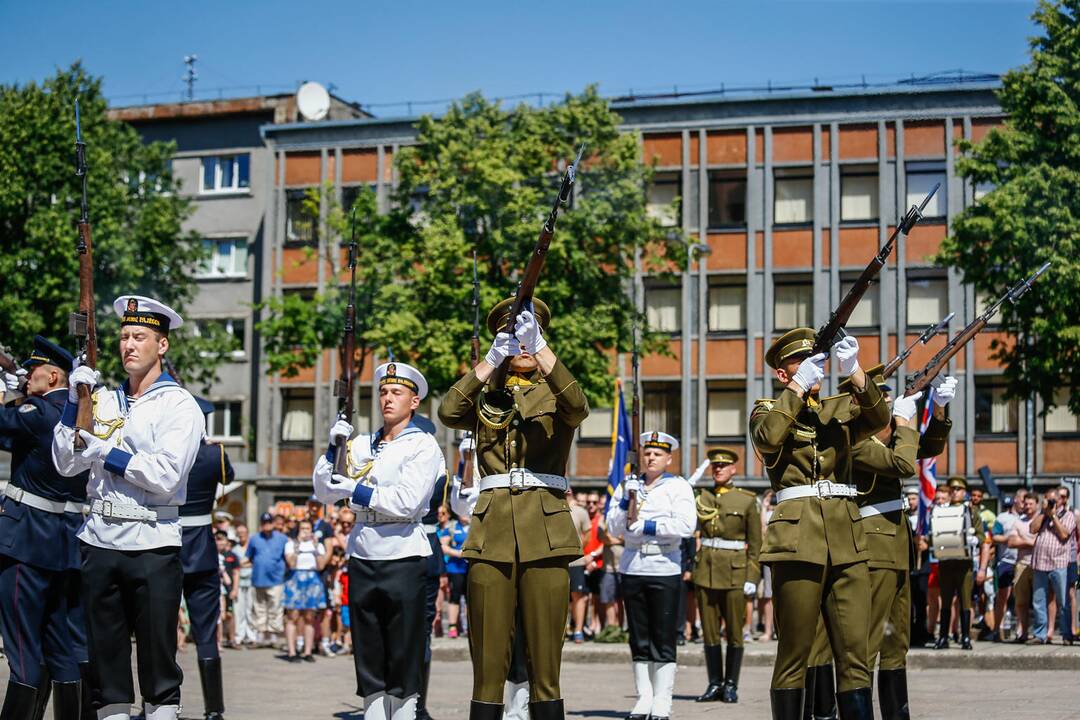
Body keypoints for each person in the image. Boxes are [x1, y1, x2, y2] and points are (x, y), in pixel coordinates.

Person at [52, 295, 204, 720]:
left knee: (158, 665)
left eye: (140, 336)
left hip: (153, 543)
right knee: (107, 666)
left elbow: (165, 475)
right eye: (123, 336)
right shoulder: (101, 401)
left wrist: (106, 453)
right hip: (100, 541)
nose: (128, 345)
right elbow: (65, 463)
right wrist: (72, 400)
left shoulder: (179, 405)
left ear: (163, 345)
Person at [437, 297, 589, 720]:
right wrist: (489, 362)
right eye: (513, 336)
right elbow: (448, 412)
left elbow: (579, 407)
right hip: (492, 533)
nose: (520, 345)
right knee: (486, 665)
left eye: (526, 334)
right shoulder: (488, 395)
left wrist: (540, 349)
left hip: (546, 531)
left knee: (545, 668)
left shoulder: (556, 391)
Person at [749, 328, 889, 718]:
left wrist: (856, 371)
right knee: (795, 653)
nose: (816, 366)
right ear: (783, 373)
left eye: (817, 359)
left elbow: (879, 418)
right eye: (802, 361)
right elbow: (767, 438)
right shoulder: (767, 409)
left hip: (847, 537)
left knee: (854, 656)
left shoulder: (838, 409)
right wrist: (797, 387)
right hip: (797, 539)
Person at [313, 361, 444, 720]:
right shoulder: (360, 444)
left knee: (403, 646)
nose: (387, 398)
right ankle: (373, 709)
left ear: (414, 401)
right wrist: (331, 449)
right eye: (384, 391)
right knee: (368, 644)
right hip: (364, 549)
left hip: (403, 549)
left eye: (396, 392)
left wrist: (357, 490)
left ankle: (403, 712)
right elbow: (323, 491)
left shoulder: (423, 445)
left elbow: (408, 501)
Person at [850, 376, 953, 719]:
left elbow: (930, 448)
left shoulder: (893, 438)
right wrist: (906, 422)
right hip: (873, 548)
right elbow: (905, 463)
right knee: (866, 643)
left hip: (896, 546)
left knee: (896, 643)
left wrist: (937, 409)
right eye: (884, 404)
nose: (890, 410)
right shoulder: (856, 441)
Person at [0, 336, 89, 719]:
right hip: (62, 541)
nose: (26, 377)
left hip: (26, 541)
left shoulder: (41, 411)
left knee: (21, 644)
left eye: (32, 371)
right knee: (60, 645)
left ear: (54, 375)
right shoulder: (75, 416)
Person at [606, 431, 696, 720]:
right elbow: (614, 528)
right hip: (633, 567)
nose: (651, 457)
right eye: (647, 453)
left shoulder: (678, 487)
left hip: (664, 566)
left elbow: (684, 525)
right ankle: (644, 697)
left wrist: (646, 526)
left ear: (669, 458)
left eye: (658, 453)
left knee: (663, 635)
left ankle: (662, 699)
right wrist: (624, 503)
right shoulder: (628, 485)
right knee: (639, 636)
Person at [178, 396, 236, 720]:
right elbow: (229, 476)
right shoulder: (215, 454)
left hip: (167, 544)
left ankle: (162, 704)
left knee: (160, 633)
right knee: (206, 634)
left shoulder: (166, 451)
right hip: (201, 547)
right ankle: (214, 710)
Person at [691, 447, 760, 705]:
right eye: (715, 466)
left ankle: (731, 684)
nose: (718, 469)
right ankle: (714, 683)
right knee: (709, 632)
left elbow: (755, 544)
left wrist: (752, 578)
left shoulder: (747, 500)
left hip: (735, 573)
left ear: (733, 469)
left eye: (723, 466)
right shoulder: (702, 496)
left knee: (733, 632)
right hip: (705, 571)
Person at [929, 476, 989, 650]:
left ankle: (965, 637)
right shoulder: (940, 509)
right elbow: (933, 533)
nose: (955, 492)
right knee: (945, 601)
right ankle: (943, 638)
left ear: (964, 492)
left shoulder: (971, 511)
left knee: (965, 601)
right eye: (952, 489)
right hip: (946, 562)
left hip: (964, 563)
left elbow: (981, 536)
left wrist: (972, 540)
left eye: (958, 489)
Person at [1030, 487, 1077, 644]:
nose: (1051, 503)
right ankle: (1039, 634)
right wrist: (1044, 513)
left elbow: (1064, 534)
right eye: (1048, 500)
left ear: (1060, 500)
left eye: (1054, 500)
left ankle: (1066, 635)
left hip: (1059, 563)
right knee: (1039, 601)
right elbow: (1032, 529)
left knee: (1063, 601)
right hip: (1040, 562)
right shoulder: (1042, 514)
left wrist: (1054, 516)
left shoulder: (1069, 515)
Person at [283, 519, 329, 661]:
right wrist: (298, 545)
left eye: (308, 528)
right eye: (302, 528)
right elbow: (291, 563)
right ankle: (292, 651)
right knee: (293, 616)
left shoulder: (318, 545)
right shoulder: (291, 544)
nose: (305, 530)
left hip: (312, 579)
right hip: (295, 579)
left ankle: (307, 652)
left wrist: (315, 548)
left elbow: (321, 566)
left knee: (310, 617)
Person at [247, 512, 289, 649]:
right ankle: (260, 637)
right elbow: (250, 557)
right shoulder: (254, 539)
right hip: (258, 579)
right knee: (259, 609)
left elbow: (287, 557)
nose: (267, 525)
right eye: (264, 523)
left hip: (276, 579)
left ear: (273, 523)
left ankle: (274, 636)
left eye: (269, 522)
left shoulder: (282, 538)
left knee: (275, 608)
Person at [1007, 494, 1038, 642]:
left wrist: (1023, 540)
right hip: (1021, 564)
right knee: (1021, 601)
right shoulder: (1018, 522)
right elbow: (1012, 542)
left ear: (1037, 504)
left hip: (1039, 564)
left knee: (1040, 601)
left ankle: (1040, 633)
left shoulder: (1042, 521)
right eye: (1025, 504)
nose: (1027, 507)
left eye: (1031, 504)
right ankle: (1023, 632)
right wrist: (1032, 542)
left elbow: (1044, 542)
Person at [991, 496, 1019, 642]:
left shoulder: (1028, 517)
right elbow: (994, 536)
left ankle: (1021, 630)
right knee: (1003, 596)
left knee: (1021, 597)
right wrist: (1009, 539)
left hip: (1023, 561)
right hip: (1006, 561)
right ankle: (997, 629)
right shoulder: (1002, 517)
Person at [440, 510, 470, 638]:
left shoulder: (476, 525)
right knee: (454, 596)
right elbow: (443, 546)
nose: (464, 515)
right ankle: (453, 627)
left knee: (472, 598)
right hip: (455, 568)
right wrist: (458, 553)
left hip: (472, 568)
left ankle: (470, 627)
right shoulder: (452, 526)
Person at [567, 490, 592, 644]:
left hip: (576, 561)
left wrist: (579, 548)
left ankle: (578, 630)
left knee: (578, 595)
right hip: (556, 560)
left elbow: (588, 532)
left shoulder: (579, 512)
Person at [232, 523, 257, 647]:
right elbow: (233, 566)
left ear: (248, 534)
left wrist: (242, 564)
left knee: (251, 609)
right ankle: (239, 636)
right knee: (239, 610)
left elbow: (256, 562)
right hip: (238, 583)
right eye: (239, 533)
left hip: (252, 581)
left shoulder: (252, 547)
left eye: (243, 533)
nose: (241, 535)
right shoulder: (234, 549)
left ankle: (252, 636)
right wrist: (247, 564)